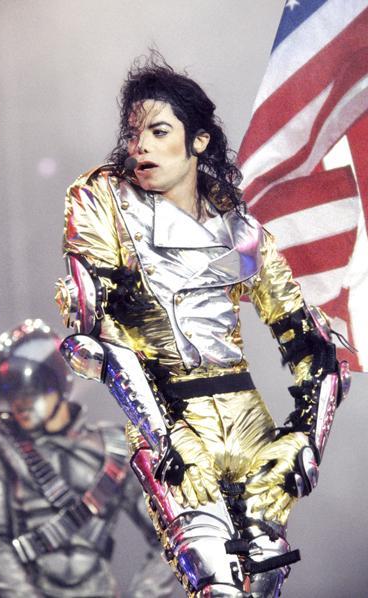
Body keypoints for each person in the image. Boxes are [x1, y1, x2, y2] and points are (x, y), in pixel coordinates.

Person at [55, 55, 350, 598]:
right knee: (216, 585)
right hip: (174, 420)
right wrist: (164, 437)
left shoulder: (239, 229)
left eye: (158, 131)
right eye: (132, 134)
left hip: (251, 427)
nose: (139, 146)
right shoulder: (105, 201)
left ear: (198, 141)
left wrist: (306, 440)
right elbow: (96, 336)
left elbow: (318, 349)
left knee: (262, 584)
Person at [0, 318, 176, 598]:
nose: (21, 402)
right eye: (12, 391)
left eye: (31, 390)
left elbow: (168, 535)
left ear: (58, 383)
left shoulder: (114, 449)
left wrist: (145, 594)